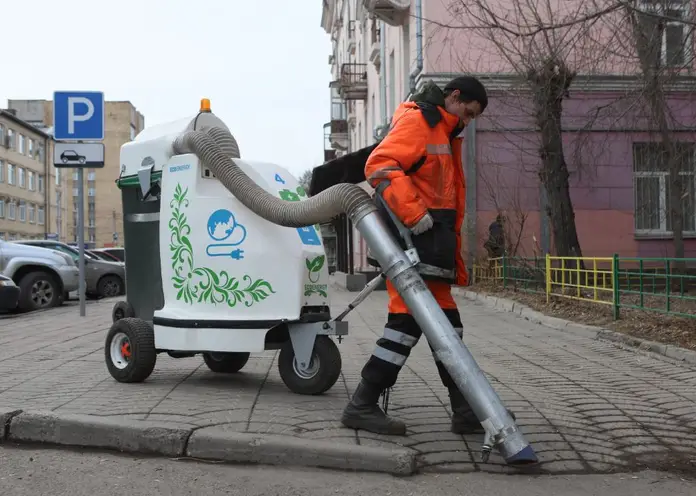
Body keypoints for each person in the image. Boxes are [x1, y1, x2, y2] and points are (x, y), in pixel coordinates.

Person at [341, 76, 504, 436]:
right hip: (413, 247)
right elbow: (380, 165)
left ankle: (464, 409)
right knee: (405, 327)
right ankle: (362, 405)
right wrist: (414, 215)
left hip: (429, 250)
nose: (469, 120)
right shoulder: (420, 121)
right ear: (455, 96)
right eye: (469, 112)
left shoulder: (444, 131)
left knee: (448, 331)